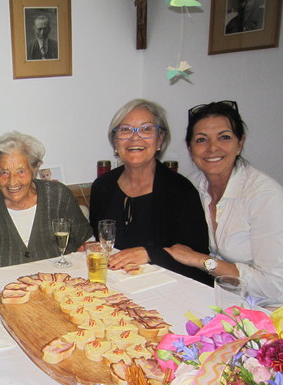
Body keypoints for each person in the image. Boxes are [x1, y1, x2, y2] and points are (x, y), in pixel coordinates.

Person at [164, 100, 283, 307]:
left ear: (240, 143)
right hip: (217, 300)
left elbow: (275, 286)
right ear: (190, 148)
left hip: (267, 312)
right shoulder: (192, 186)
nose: (212, 148)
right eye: (201, 140)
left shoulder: (265, 197)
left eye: (224, 137)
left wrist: (202, 261)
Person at [89, 99, 211, 284]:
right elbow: (102, 243)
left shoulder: (180, 191)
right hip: (115, 284)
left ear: (160, 140)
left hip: (167, 289)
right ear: (115, 142)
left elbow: (196, 261)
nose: (135, 137)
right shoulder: (102, 186)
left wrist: (151, 255)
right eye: (125, 130)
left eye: (146, 129)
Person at [0, 131, 92, 268]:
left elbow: (87, 240)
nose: (12, 182)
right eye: (4, 172)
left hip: (58, 281)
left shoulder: (58, 195)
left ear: (34, 169)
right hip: (7, 286)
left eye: (21, 171)